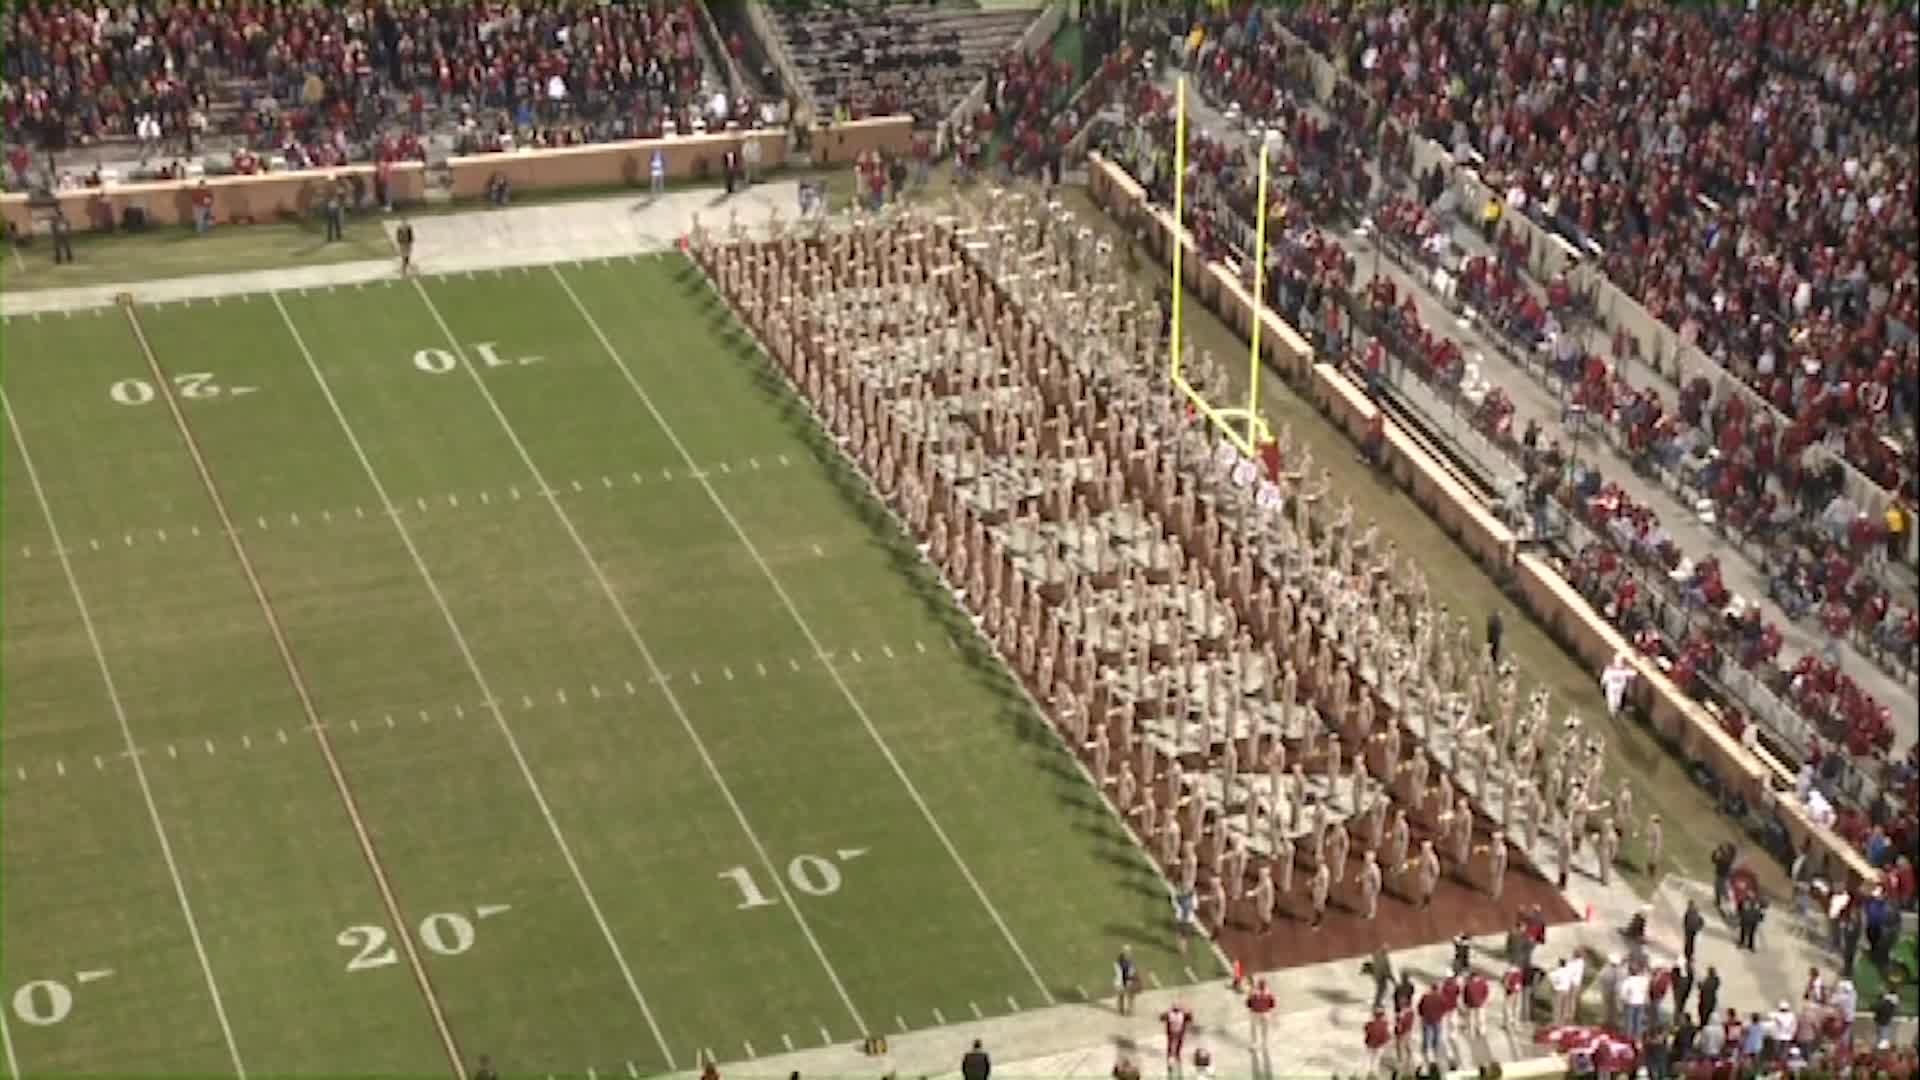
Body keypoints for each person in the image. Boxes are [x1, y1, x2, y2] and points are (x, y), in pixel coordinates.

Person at [1246, 977, 1275, 1051]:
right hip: (1262, 1012)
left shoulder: (1254, 993)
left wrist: (1251, 1008)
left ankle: (1257, 1043)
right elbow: (1272, 1004)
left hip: (1257, 1013)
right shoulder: (1267, 993)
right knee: (1262, 1028)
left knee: (1256, 1028)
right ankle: (1261, 1043)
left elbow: (1248, 1003)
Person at [1363, 1007, 1391, 1075]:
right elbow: (1387, 1036)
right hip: (1379, 1046)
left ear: (1374, 1015)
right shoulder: (1385, 1024)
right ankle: (1373, 1074)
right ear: (1382, 1015)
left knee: (1368, 1061)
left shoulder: (1370, 1024)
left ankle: (1367, 1074)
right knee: (1376, 1061)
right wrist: (1384, 1043)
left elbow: (1366, 1030)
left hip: (1370, 1045)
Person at [1115, 946, 1139, 1015]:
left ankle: (1128, 1010)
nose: (1128, 952)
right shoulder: (1120, 960)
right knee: (1122, 995)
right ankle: (1121, 1009)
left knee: (1130, 995)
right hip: (1122, 979)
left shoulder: (1129, 960)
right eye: (1127, 951)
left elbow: (1132, 969)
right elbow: (1120, 970)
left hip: (1127, 979)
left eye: (1128, 951)